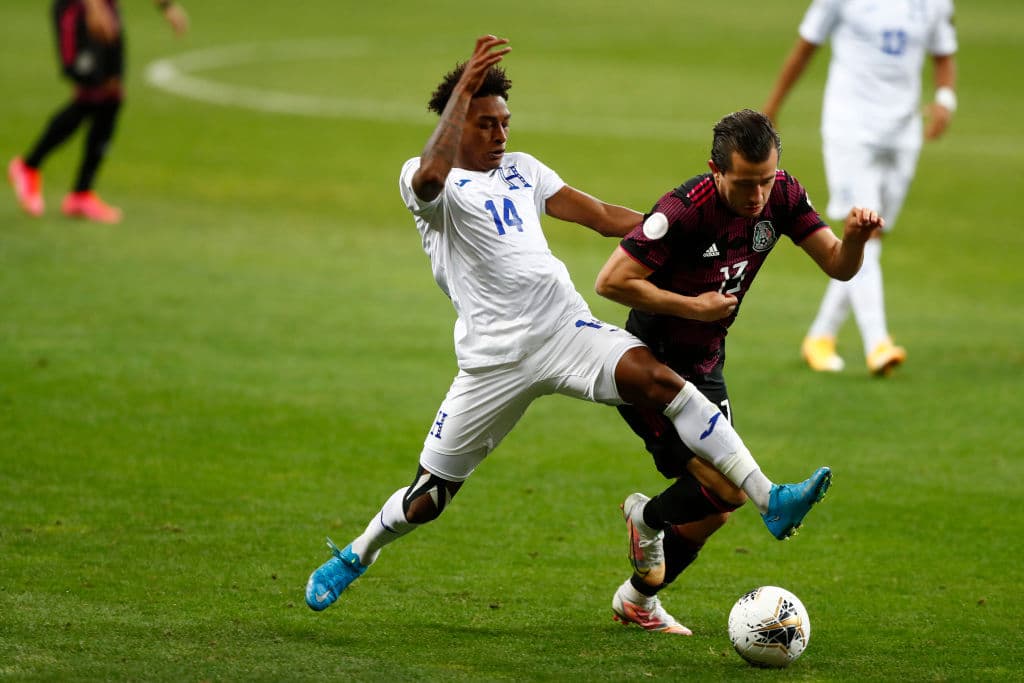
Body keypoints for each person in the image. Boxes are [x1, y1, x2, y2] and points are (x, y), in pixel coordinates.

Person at [304, 37, 834, 614]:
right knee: (429, 498)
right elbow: (431, 176)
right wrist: (460, 93)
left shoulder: (524, 170)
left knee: (661, 381)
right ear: (456, 123)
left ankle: (770, 497)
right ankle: (358, 553)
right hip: (494, 359)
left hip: (565, 331)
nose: (500, 135)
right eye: (485, 124)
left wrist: (680, 230)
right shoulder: (428, 182)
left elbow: (608, 218)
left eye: (504, 123)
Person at [594, 109, 883, 635]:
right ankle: (647, 520)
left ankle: (638, 598)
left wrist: (857, 239)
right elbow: (611, 281)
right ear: (715, 170)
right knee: (729, 489)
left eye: (766, 180)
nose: (757, 196)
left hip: (705, 366)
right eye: (745, 183)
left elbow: (839, 265)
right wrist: (692, 307)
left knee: (714, 512)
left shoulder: (785, 197)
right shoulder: (682, 211)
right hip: (650, 368)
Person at [762, 0, 958, 376]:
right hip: (850, 127)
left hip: (904, 132)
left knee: (875, 236)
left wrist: (946, 100)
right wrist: (771, 108)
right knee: (865, 229)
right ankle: (878, 343)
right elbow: (806, 45)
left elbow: (943, 51)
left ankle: (821, 335)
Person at [7, 0, 189, 224]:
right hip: (78, 8)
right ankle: (28, 167)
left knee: (112, 96)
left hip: (108, 6)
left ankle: (82, 194)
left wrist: (167, 6)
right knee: (89, 95)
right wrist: (93, 7)